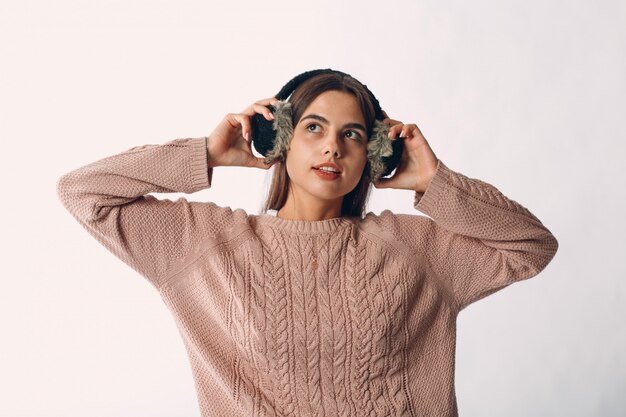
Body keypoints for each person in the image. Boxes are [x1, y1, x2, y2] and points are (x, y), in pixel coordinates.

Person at [57, 69, 559, 417]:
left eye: (354, 135)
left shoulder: (414, 249)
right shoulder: (206, 244)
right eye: (313, 127)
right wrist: (204, 156)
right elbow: (84, 193)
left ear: (375, 156)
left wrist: (435, 181)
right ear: (279, 142)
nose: (332, 147)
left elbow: (530, 246)